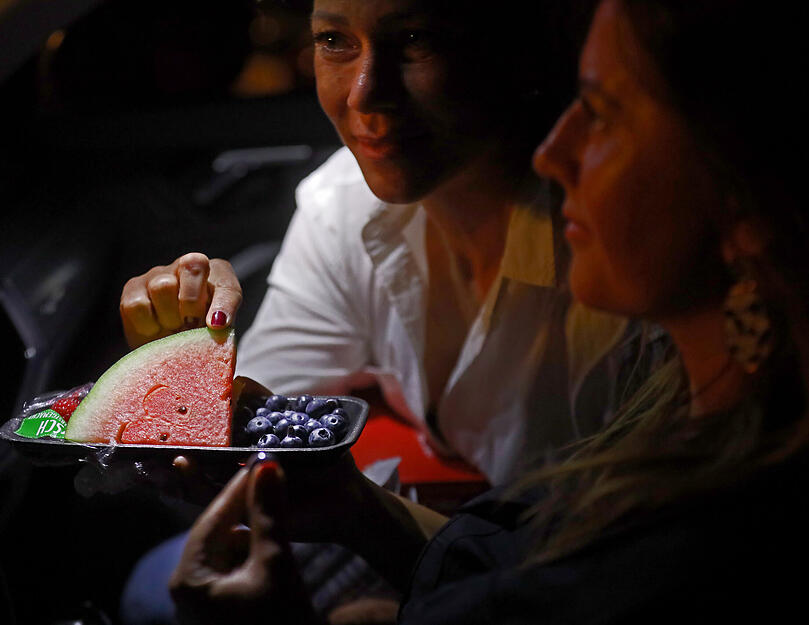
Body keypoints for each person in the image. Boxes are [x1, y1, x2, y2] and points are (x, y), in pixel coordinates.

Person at [167, 0, 809, 622]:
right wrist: (191, 372)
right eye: (333, 40)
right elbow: (527, 559)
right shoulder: (697, 407)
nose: (555, 152)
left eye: (600, 111)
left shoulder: (665, 396)